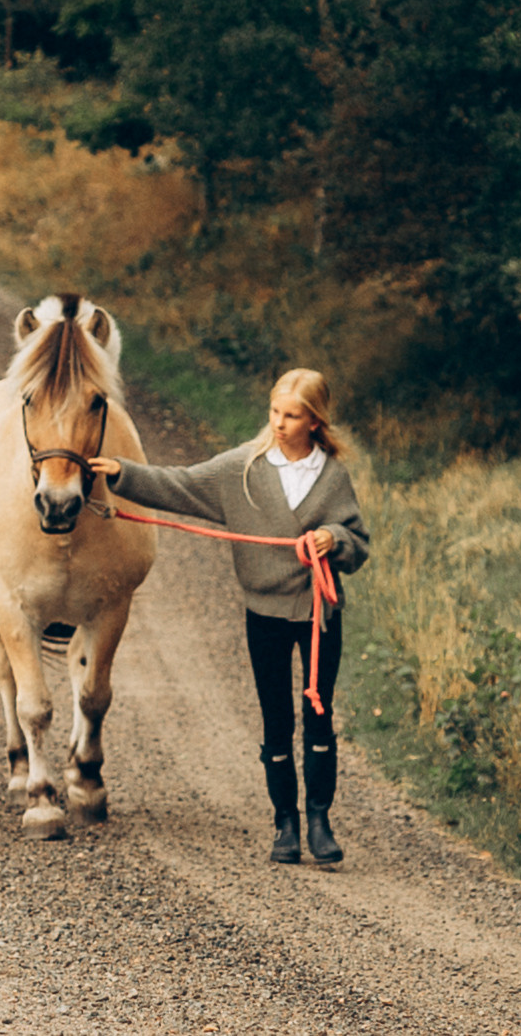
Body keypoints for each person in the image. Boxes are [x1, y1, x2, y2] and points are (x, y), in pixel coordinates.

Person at [88, 368, 369, 864]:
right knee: (276, 717)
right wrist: (123, 474)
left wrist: (335, 538)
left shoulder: (333, 477)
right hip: (265, 614)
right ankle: (286, 824)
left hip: (319, 615)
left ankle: (320, 820)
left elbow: (358, 544)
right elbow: (179, 484)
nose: (279, 423)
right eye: (275, 412)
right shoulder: (242, 469)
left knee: (319, 713)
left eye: (292, 415)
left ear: (314, 421)